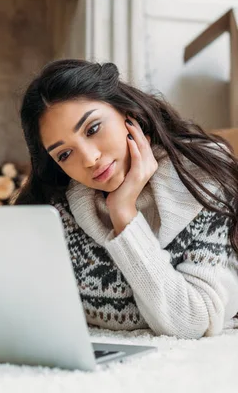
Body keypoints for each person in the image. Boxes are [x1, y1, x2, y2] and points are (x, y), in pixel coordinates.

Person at [14, 59, 238, 339]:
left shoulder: (203, 179)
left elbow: (192, 320)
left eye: (93, 129)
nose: (90, 158)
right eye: (64, 154)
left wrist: (124, 214)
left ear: (126, 114)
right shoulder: (59, 209)